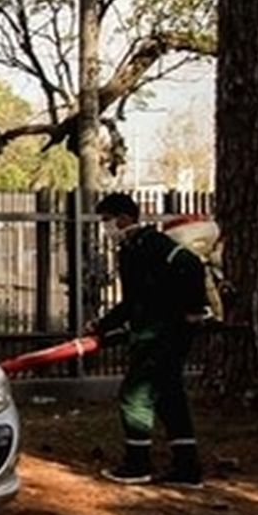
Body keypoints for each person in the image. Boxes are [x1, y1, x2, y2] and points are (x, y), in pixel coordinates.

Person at [85, 192, 209, 488]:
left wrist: (193, 309)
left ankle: (138, 464)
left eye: (107, 220)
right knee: (169, 396)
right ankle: (186, 467)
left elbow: (192, 264)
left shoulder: (152, 244)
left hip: (162, 333)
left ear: (124, 218)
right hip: (150, 330)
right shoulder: (129, 249)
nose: (107, 227)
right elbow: (133, 300)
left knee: (135, 396)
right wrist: (103, 325)